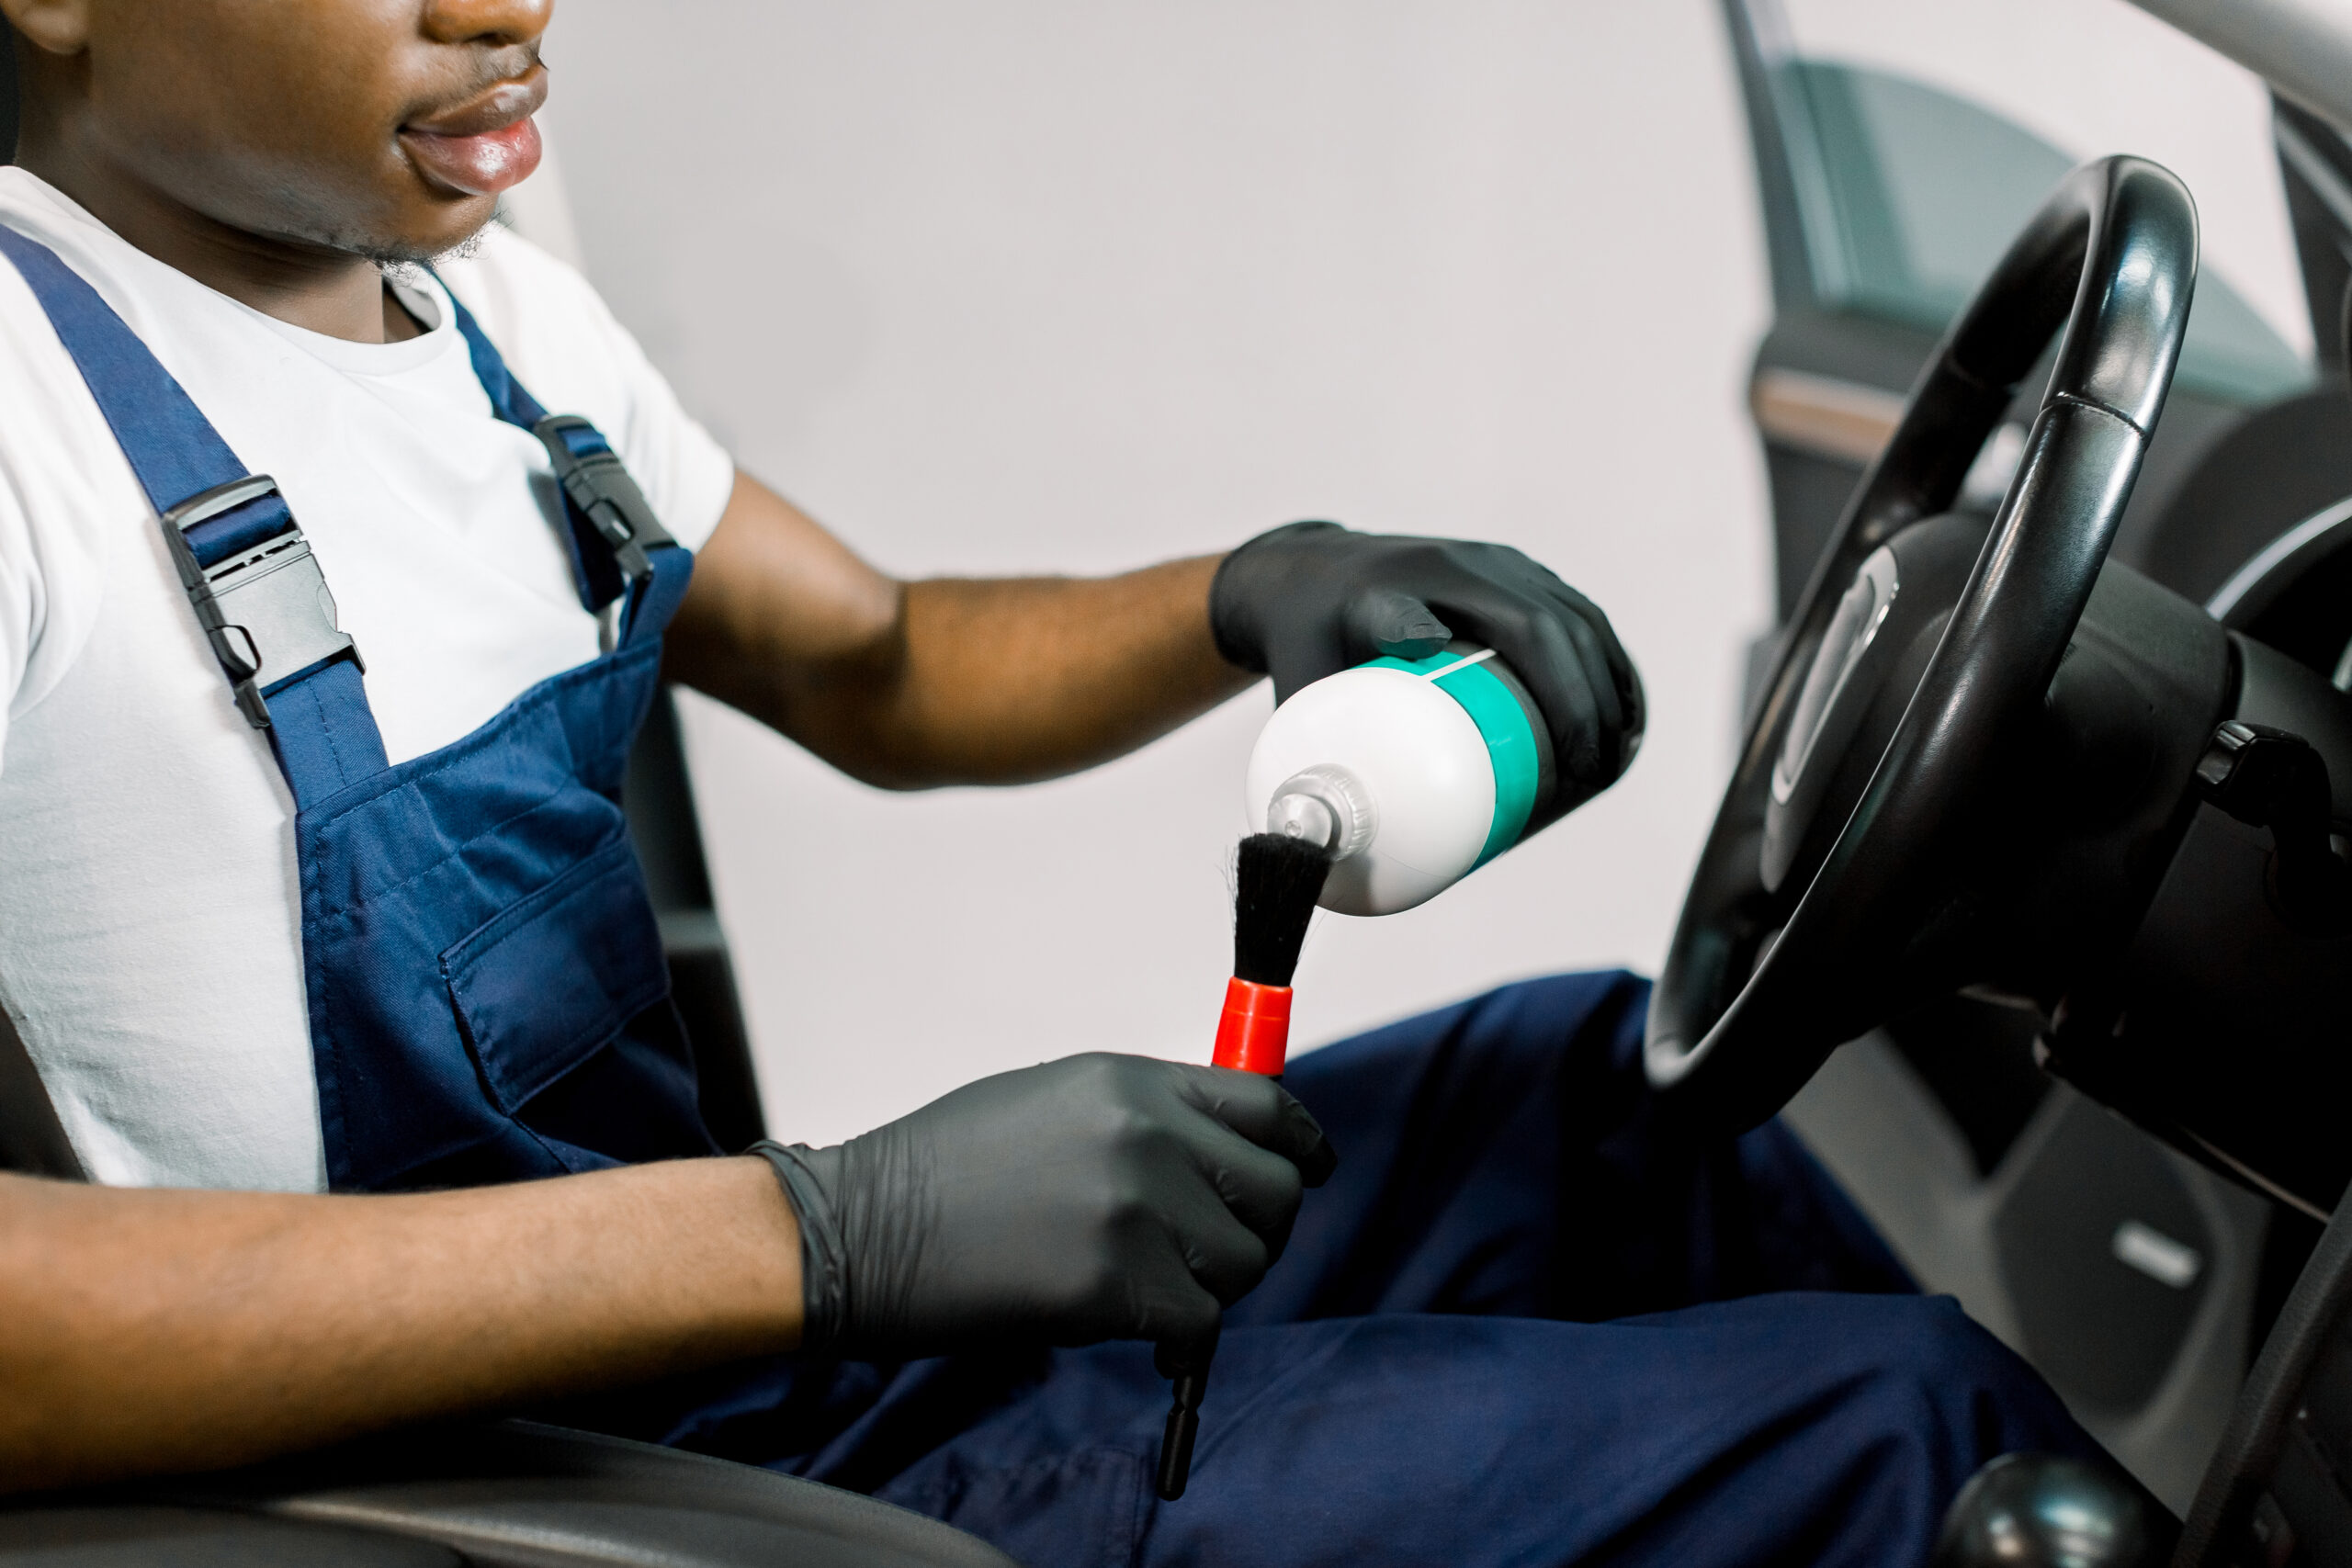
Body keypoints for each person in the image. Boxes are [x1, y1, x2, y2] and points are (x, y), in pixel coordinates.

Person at [0, 0, 2103, 1562]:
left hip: (732, 1345)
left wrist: (1251, 592)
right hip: (517, 1475)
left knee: (1601, 1102)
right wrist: (834, 1228)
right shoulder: (28, 428)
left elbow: (879, 656)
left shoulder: (482, 324)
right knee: (1904, 1438)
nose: (510, 8)